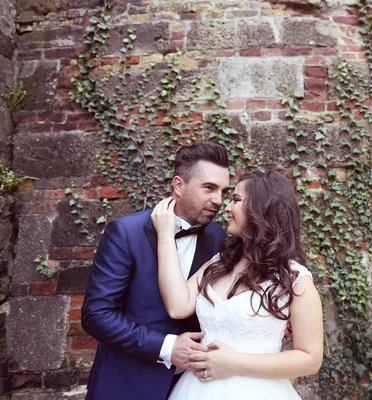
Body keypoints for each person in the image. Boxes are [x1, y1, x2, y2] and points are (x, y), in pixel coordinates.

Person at [151, 171, 323, 399]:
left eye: (236, 200)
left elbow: (310, 359)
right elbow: (177, 306)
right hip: (196, 390)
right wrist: (165, 235)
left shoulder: (296, 280)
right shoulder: (218, 263)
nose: (227, 207)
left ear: (261, 209)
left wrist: (236, 363)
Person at [81, 143, 231, 400]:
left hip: (194, 387)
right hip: (125, 385)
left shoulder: (220, 238)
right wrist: (168, 347)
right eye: (209, 188)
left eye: (223, 191)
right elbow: (97, 315)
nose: (218, 200)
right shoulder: (126, 233)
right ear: (178, 186)